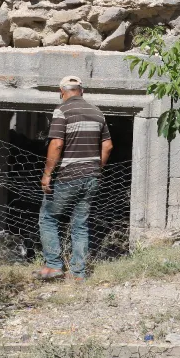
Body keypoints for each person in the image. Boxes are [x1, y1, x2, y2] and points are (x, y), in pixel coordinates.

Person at [35, 75, 113, 281]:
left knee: (48, 217)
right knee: (80, 224)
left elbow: (57, 144)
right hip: (92, 177)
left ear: (61, 92)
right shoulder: (97, 113)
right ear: (82, 91)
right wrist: (96, 169)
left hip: (69, 175)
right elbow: (107, 146)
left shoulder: (62, 111)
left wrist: (47, 174)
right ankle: (78, 273)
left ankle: (53, 265)